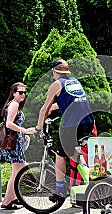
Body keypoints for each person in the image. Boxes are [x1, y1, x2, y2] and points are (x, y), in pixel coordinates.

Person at [33, 59, 94, 202]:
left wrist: (38, 128)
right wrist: (53, 108)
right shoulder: (74, 81)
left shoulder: (56, 84)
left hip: (72, 125)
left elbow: (43, 109)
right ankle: (91, 181)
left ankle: (60, 190)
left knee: (60, 155)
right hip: (88, 122)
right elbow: (71, 101)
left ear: (54, 71)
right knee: (75, 152)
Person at [0, 82, 34, 209]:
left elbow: (14, 124)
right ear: (14, 93)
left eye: (24, 92)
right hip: (13, 143)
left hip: (15, 142)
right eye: (20, 92)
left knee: (18, 170)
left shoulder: (14, 105)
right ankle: (7, 201)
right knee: (17, 171)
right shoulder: (14, 104)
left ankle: (12, 198)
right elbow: (9, 124)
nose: (23, 95)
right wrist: (25, 131)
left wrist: (22, 133)